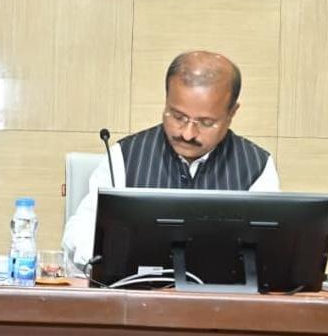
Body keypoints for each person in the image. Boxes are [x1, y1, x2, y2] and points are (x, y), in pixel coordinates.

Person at [62, 51, 279, 268]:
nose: (188, 134)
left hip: (222, 288)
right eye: (178, 117)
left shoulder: (256, 166)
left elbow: (269, 248)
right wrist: (102, 258)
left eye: (205, 123)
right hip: (138, 287)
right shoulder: (124, 157)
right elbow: (82, 229)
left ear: (232, 113)